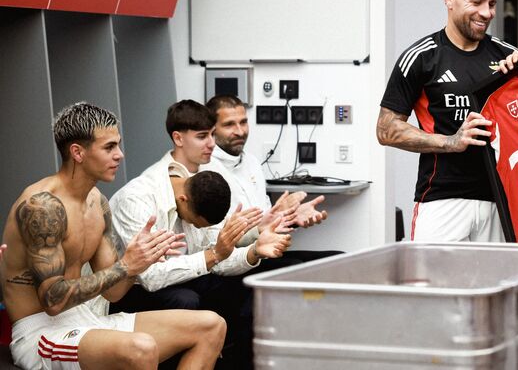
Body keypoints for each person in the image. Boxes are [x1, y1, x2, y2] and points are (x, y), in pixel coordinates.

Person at [0, 102, 226, 370]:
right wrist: (125, 265)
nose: (120, 155)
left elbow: (114, 293)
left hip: (87, 320)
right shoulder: (42, 207)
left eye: (118, 144)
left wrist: (140, 263)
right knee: (141, 347)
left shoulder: (97, 202)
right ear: (78, 152)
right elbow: (53, 301)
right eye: (109, 147)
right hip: (42, 333)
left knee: (211, 325)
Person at [108, 100, 292, 368]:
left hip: (179, 277)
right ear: (183, 201)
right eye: (202, 135)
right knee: (187, 299)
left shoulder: (200, 184)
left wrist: (253, 251)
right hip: (128, 289)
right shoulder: (139, 200)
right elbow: (150, 277)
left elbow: (216, 254)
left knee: (247, 287)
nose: (211, 144)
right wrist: (214, 254)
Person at [377, 0, 518, 242]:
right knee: (434, 286)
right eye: (477, 2)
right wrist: (450, 142)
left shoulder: (508, 56)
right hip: (441, 199)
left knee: (497, 287)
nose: (486, 12)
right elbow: (386, 129)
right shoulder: (421, 57)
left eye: (491, 4)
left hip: (501, 199)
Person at [203, 94, 340, 265]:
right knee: (294, 267)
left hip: (264, 253)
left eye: (243, 122)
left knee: (338, 259)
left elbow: (267, 219)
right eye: (229, 124)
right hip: (234, 262)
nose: (240, 131)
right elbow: (215, 239)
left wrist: (291, 217)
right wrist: (260, 231)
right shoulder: (205, 171)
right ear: (211, 129)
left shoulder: (251, 162)